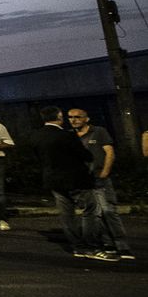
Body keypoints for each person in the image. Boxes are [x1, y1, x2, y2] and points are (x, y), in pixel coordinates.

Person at [36, 105, 110, 261]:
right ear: (59, 117)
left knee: (67, 214)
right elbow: (85, 155)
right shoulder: (66, 136)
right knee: (89, 210)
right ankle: (91, 246)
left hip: (53, 180)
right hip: (76, 179)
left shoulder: (36, 136)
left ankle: (78, 247)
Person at [70, 108, 133, 261]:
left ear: (86, 118)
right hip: (84, 181)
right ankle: (107, 243)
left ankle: (122, 245)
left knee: (109, 211)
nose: (74, 120)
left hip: (100, 177)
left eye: (78, 117)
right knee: (94, 214)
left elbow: (109, 152)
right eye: (71, 117)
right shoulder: (70, 136)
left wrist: (105, 172)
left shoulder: (98, 132)